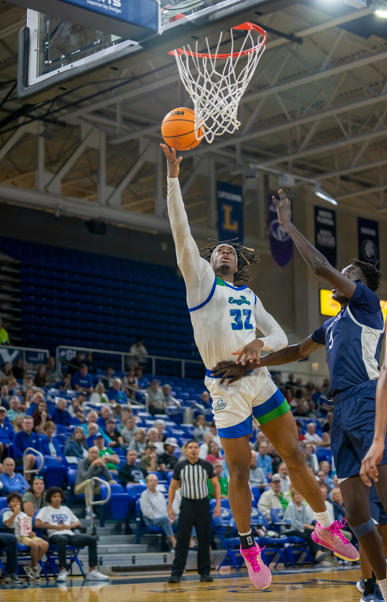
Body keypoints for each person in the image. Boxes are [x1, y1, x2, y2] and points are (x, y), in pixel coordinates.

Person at [164, 146, 354, 590]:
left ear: (239, 263)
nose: (225, 251)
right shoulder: (200, 284)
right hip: (226, 390)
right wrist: (173, 178)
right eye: (220, 250)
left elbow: (278, 336)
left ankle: (325, 524)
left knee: (295, 456)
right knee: (240, 470)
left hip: (259, 380)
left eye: (231, 250)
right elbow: (180, 231)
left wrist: (256, 345)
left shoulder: (249, 298)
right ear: (210, 262)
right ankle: (250, 547)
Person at [167, 440, 220, 583]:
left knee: (204, 540)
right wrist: (170, 507)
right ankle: (176, 573)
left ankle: (205, 573)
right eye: (190, 447)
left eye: (196, 447)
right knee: (182, 541)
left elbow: (215, 484)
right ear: (185, 451)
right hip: (187, 505)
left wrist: (218, 504)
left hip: (203, 505)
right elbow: (172, 487)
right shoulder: (179, 466)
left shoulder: (206, 465)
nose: (193, 450)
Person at [35, 486, 109, 581]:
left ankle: (92, 571)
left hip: (70, 535)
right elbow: (37, 523)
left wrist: (68, 526)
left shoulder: (66, 509)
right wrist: (54, 527)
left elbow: (78, 523)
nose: (57, 498)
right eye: (54, 496)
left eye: (59, 496)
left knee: (92, 539)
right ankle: (63, 570)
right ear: (49, 498)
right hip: (54, 535)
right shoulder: (45, 509)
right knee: (62, 539)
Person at [3, 491, 49, 581]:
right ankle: (35, 568)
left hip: (27, 535)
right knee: (34, 545)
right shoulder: (6, 513)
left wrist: (32, 533)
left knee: (44, 544)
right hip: (16, 536)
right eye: (13, 501)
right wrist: (15, 513)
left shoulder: (24, 514)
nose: (16, 503)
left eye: (18, 501)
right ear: (9, 504)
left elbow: (28, 528)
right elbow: (7, 524)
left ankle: (30, 566)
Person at [282, 490, 328, 566]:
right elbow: (293, 522)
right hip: (289, 529)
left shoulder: (303, 505)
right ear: (293, 497)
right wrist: (305, 525)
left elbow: (307, 518)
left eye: (300, 494)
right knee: (308, 535)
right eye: (296, 494)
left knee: (311, 533)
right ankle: (317, 558)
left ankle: (317, 555)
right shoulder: (291, 506)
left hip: (300, 529)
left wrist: (309, 524)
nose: (299, 496)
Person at [74, 447, 116, 517]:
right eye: (92, 453)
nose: (94, 455)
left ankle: (111, 510)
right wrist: (93, 465)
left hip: (95, 488)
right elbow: (86, 477)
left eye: (96, 453)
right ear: (88, 454)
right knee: (89, 482)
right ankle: (89, 511)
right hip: (80, 487)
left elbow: (109, 479)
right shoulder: (81, 462)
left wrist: (104, 466)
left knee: (113, 483)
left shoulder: (99, 463)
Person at [140, 474, 176, 548]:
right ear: (146, 483)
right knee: (165, 520)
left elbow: (165, 509)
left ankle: (190, 541)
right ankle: (174, 543)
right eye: (151, 480)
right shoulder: (144, 495)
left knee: (184, 518)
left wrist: (170, 517)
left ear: (157, 483)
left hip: (164, 518)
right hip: (151, 520)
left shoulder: (160, 494)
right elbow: (148, 513)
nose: (153, 482)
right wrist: (166, 518)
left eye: (155, 480)